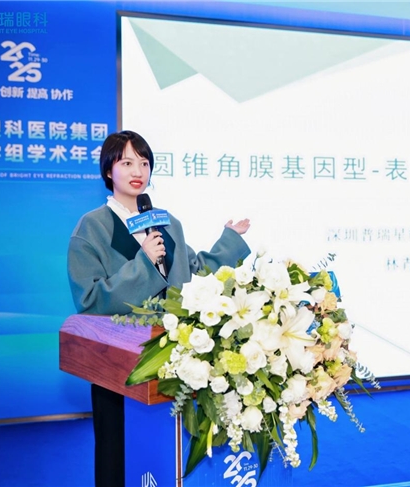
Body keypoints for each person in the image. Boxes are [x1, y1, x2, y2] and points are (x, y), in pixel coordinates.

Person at [67, 130, 251, 487]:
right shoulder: (91, 228)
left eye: (144, 162)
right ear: (108, 171)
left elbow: (195, 273)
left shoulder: (166, 223)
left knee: (165, 455)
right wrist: (144, 264)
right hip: (119, 363)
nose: (138, 171)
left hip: (172, 361)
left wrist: (229, 242)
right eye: (126, 162)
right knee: (117, 454)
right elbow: (89, 299)